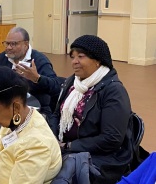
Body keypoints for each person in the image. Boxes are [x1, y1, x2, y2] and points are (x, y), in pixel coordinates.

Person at [49, 35, 132, 183]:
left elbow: (111, 139)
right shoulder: (73, 82)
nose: (75, 62)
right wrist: (53, 138)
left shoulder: (113, 91)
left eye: (81, 56)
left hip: (99, 158)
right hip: (66, 147)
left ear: (98, 60)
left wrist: (69, 146)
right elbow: (56, 114)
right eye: (73, 57)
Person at [0, 27, 61, 118]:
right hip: (6, 107)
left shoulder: (39, 61)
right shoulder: (3, 58)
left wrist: (37, 78)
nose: (8, 47)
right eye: (7, 43)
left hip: (35, 110)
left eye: (13, 44)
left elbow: (56, 86)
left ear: (26, 44)